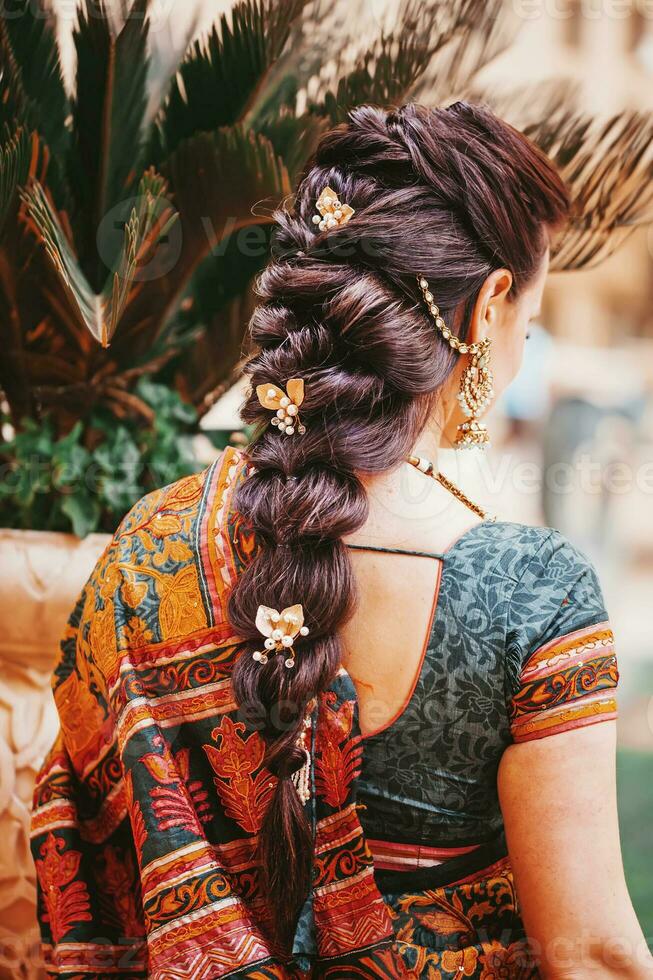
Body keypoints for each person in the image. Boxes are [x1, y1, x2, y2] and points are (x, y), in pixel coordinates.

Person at [31, 103, 653, 979]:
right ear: (489, 310)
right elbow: (588, 953)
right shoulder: (531, 592)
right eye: (533, 315)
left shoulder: (152, 548)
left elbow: (83, 857)